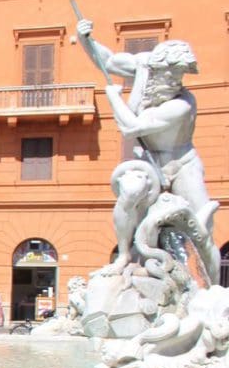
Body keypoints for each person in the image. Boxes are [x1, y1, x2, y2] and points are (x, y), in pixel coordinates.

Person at [76, 19, 219, 281]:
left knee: (203, 229)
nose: (176, 81)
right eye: (171, 74)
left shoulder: (183, 103)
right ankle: (123, 256)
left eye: (180, 75)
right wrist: (87, 40)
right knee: (129, 194)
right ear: (157, 67)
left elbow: (131, 128)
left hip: (181, 163)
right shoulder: (143, 65)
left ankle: (214, 287)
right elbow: (109, 62)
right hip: (147, 163)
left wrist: (112, 97)